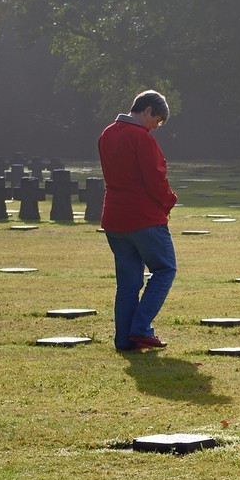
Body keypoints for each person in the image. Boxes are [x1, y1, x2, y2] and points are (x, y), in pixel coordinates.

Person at [97, 90, 179, 352]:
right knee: (165, 269)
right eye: (157, 120)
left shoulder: (107, 133)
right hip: (144, 217)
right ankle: (141, 328)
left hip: (114, 217)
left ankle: (124, 340)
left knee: (128, 283)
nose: (157, 126)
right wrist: (169, 202)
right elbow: (155, 179)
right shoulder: (142, 138)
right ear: (147, 111)